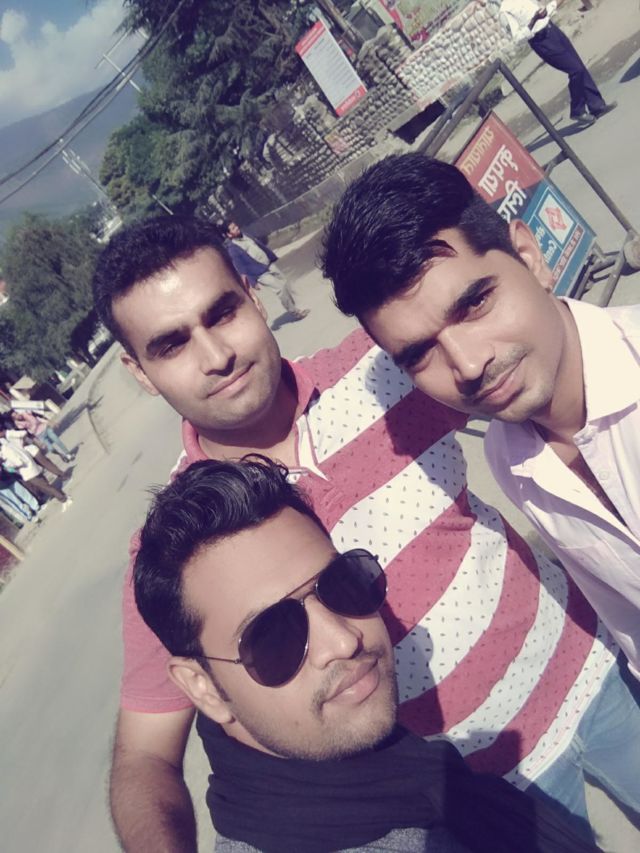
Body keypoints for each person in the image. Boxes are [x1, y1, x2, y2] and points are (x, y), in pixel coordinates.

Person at [93, 214, 621, 852]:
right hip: (483, 789)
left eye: (222, 312)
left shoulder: (379, 373)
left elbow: (547, 387)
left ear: (253, 296)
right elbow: (145, 757)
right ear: (139, 371)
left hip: (600, 670)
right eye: (172, 345)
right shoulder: (180, 546)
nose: (216, 356)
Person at [322, 149, 640, 828]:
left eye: (474, 302)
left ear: (529, 254)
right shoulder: (508, 454)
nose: (467, 364)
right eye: (419, 353)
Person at [133, 456, 597, 852]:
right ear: (204, 689)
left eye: (340, 584)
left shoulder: (399, 774)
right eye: (273, 637)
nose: (344, 641)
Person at [497, 0, 616, 127]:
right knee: (575, 70)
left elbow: (541, 12)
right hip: (541, 41)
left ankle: (597, 106)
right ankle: (577, 110)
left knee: (579, 66)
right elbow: (518, 39)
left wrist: (550, 7)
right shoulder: (505, 11)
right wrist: (534, 20)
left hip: (552, 30)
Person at [221, 219, 309, 321]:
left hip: (269, 264)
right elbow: (241, 269)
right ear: (229, 234)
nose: (237, 228)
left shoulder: (245, 235)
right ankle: (295, 312)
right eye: (233, 228)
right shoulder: (233, 249)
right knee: (280, 289)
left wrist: (270, 256)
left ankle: (295, 307)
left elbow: (259, 245)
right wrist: (252, 282)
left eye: (235, 226)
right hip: (260, 273)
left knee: (285, 284)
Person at [0, 420, 72, 510]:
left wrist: (10, 463)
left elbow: (17, 460)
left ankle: (63, 493)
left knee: (46, 471)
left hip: (28, 459)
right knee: (42, 482)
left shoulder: (8, 438)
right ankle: (59, 494)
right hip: (27, 460)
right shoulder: (4, 444)